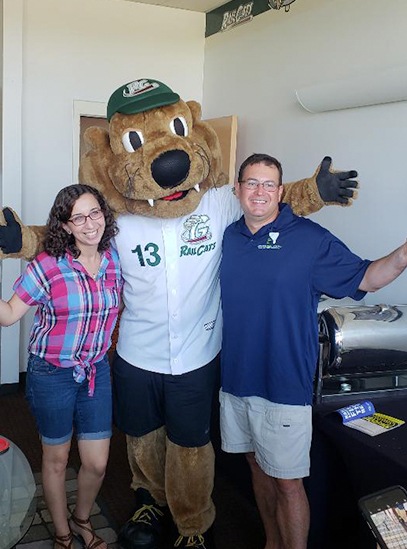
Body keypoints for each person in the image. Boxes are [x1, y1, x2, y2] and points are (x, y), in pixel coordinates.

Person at [219, 153, 407, 549]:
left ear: (281, 191)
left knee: (288, 482)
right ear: (237, 189)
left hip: (284, 384)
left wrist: (403, 255)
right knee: (255, 464)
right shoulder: (229, 236)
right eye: (251, 182)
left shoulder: (308, 239)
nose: (260, 192)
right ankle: (272, 542)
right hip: (235, 379)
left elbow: (368, 276)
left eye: (269, 184)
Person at [0, 184, 122, 549]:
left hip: (95, 371)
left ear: (105, 215)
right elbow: (8, 316)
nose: (89, 224)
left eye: (95, 213)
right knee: (56, 459)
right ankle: (63, 532)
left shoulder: (115, 260)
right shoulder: (48, 265)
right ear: (66, 225)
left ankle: (81, 517)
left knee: (97, 462)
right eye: (78, 217)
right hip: (52, 373)